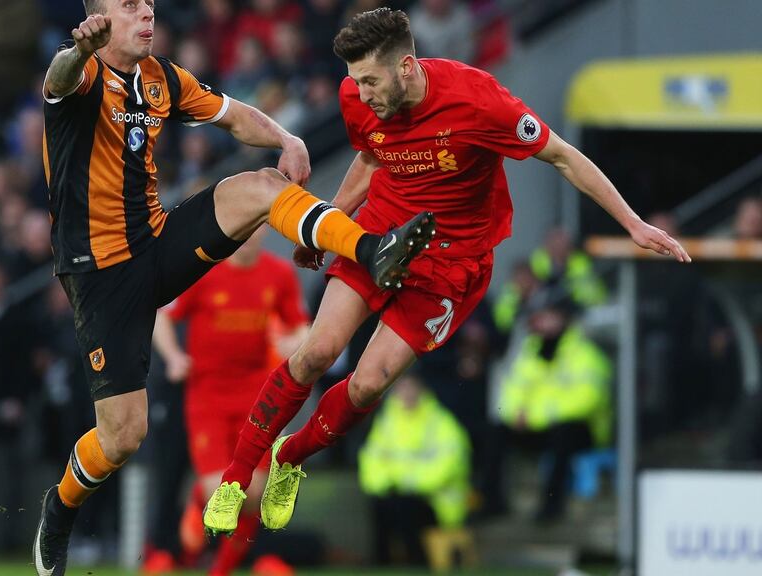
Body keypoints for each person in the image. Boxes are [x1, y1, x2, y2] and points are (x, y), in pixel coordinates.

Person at [202, 8, 689, 536]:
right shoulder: (357, 97)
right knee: (318, 352)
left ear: (406, 67)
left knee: (367, 387)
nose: (360, 94)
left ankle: (291, 456)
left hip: (452, 264)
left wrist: (633, 224)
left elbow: (564, 156)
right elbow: (370, 157)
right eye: (354, 82)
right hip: (381, 238)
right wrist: (328, 224)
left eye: (369, 81)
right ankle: (235, 477)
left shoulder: (480, 101)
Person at [32, 2, 437, 574]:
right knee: (123, 437)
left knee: (263, 185)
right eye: (128, 6)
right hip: (100, 274)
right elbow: (57, 79)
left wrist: (287, 136)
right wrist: (77, 49)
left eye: (148, 3)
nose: (146, 12)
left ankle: (372, 248)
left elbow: (229, 114)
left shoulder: (160, 78)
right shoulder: (82, 74)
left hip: (157, 244)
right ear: (98, 17)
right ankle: (61, 507)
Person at [151, 228, 308, 575]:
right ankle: (198, 499)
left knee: (251, 496)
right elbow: (161, 315)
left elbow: (302, 327)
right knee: (218, 491)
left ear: (265, 230)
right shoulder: (203, 272)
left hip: (258, 397)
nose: (249, 236)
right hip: (207, 396)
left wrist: (294, 343)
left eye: (256, 228)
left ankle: (221, 569)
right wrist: (174, 357)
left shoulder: (279, 274)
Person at [480, 291, 611, 522]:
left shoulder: (585, 353)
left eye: (547, 316)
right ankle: (493, 502)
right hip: (537, 424)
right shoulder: (531, 351)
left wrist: (534, 416)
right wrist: (515, 415)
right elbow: (512, 391)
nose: (540, 323)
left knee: (565, 434)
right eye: (538, 317)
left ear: (564, 318)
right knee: (496, 430)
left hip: (580, 430)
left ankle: (551, 508)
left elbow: (586, 401)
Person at [358, 373, 470, 566]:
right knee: (382, 504)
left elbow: (448, 465)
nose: (407, 394)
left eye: (411, 388)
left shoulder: (441, 421)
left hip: (437, 501)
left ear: (422, 390)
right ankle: (381, 562)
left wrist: (403, 481)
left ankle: (416, 562)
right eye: (402, 388)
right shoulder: (387, 421)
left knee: (406, 506)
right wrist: (383, 485)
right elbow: (371, 458)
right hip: (399, 492)